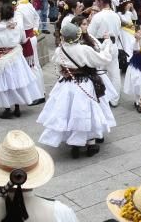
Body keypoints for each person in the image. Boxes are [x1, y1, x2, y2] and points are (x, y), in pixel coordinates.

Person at [37, 22, 115, 158]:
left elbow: (60, 69)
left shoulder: (59, 50)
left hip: (66, 84)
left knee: (68, 112)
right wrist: (107, 43)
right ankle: (90, 144)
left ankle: (74, 145)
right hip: (84, 84)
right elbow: (104, 59)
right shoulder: (84, 49)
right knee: (86, 111)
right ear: (78, 36)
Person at [0, 2, 42, 119]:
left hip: (1, 58)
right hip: (17, 57)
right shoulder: (17, 25)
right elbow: (24, 40)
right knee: (17, 82)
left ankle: (7, 109)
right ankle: (17, 107)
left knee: (4, 84)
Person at [88, 0, 123, 106]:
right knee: (114, 73)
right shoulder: (116, 15)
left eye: (97, 1)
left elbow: (90, 33)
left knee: (99, 72)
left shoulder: (98, 16)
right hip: (113, 45)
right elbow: (118, 31)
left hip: (101, 46)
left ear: (101, 2)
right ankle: (114, 99)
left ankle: (101, 97)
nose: (96, 3)